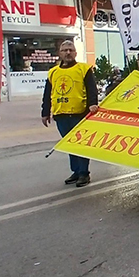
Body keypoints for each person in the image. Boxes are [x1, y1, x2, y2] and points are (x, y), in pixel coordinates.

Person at [42, 40, 99, 187]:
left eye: (70, 50)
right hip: (61, 115)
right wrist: (45, 112)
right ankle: (76, 171)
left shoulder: (84, 69)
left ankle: (84, 173)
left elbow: (92, 89)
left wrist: (93, 104)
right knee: (69, 145)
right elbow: (48, 93)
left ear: (75, 53)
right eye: (65, 50)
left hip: (79, 114)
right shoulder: (53, 72)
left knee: (81, 145)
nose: (68, 52)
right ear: (59, 53)